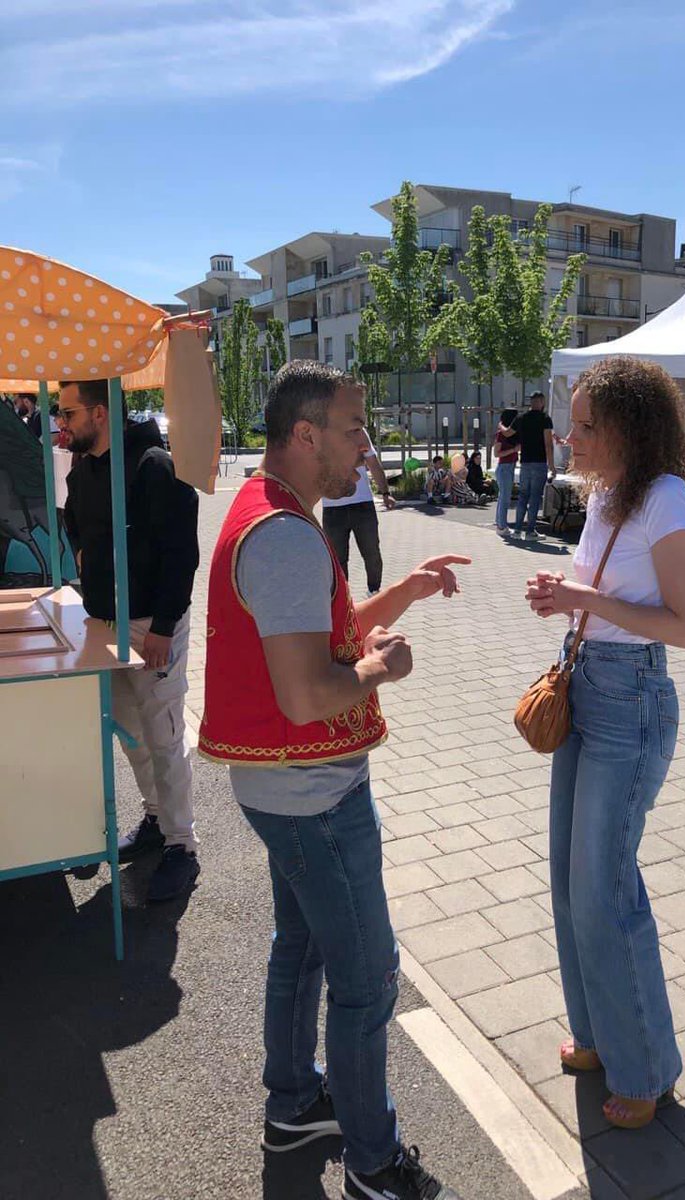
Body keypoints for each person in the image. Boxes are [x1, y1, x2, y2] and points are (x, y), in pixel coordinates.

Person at [199, 361, 467, 1200]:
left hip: (287, 792)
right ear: (306, 434)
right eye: (355, 429)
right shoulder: (282, 536)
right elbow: (310, 692)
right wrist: (384, 669)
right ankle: (375, 1165)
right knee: (367, 977)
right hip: (314, 798)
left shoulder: (271, 516)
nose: (367, 446)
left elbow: (317, 636)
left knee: (303, 945)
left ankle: (292, 1103)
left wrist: (401, 595)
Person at [525, 358, 685, 1130]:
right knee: (568, 881)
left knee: (603, 888)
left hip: (632, 699)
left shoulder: (667, 500)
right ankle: (599, 1034)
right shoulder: (605, 496)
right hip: (587, 684)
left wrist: (582, 598)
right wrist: (563, 603)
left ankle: (649, 1070)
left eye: (588, 424)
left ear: (629, 427)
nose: (572, 436)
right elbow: (602, 599)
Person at [60, 380, 201, 903]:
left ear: (100, 412)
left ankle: (182, 846)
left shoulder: (154, 466)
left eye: (68, 411)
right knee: (131, 734)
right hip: (106, 625)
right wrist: (82, 556)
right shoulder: (84, 469)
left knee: (164, 737)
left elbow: (182, 552)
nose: (61, 421)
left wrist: (164, 627)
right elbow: (74, 522)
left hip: (152, 626)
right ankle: (155, 820)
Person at [322, 429, 396, 596]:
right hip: (332, 508)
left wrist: (385, 493)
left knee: (372, 553)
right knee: (337, 559)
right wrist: (355, 460)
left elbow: (373, 463)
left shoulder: (358, 432)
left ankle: (374, 591)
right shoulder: (320, 430)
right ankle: (342, 599)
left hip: (363, 504)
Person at [509, 391, 554, 539]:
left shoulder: (522, 418)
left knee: (523, 496)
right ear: (541, 402)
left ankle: (516, 530)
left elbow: (508, 433)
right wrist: (552, 465)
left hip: (525, 462)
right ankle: (530, 531)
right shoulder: (545, 419)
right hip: (539, 462)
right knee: (535, 497)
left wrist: (501, 427)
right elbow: (548, 444)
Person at [493, 408, 519, 535]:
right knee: (505, 498)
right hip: (504, 467)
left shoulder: (512, 433)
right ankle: (502, 526)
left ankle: (500, 523)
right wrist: (513, 450)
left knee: (503, 497)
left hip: (510, 466)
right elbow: (496, 453)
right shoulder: (501, 434)